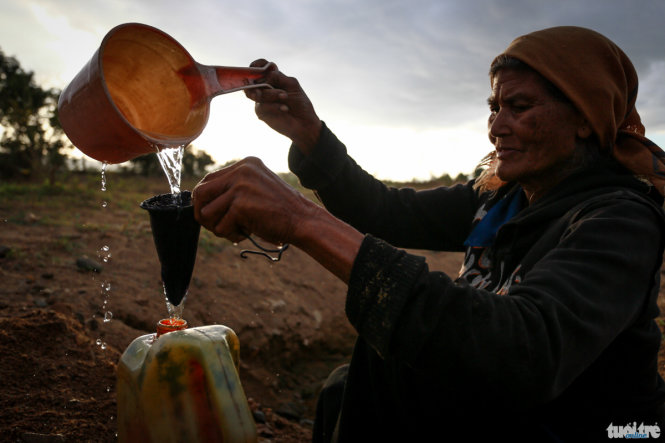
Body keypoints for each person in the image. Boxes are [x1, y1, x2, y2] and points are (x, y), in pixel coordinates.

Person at [192, 26, 665, 441]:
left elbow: (525, 352)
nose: (496, 127)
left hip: (589, 426)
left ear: (586, 116)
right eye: (494, 107)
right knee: (349, 386)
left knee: (393, 373)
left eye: (519, 106)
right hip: (514, 410)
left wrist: (302, 220)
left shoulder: (618, 220)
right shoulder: (500, 198)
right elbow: (385, 212)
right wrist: (308, 133)